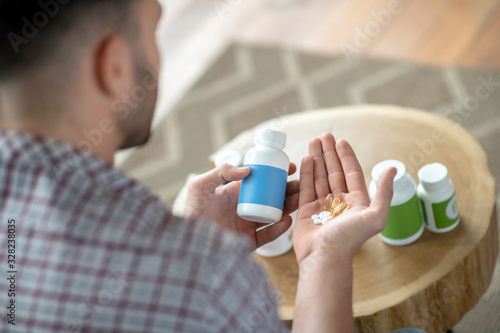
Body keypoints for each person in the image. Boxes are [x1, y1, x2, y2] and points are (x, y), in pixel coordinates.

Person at [0, 0, 406, 332]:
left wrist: (190, 240)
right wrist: (324, 257)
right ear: (115, 67)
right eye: (154, 31)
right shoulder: (205, 277)